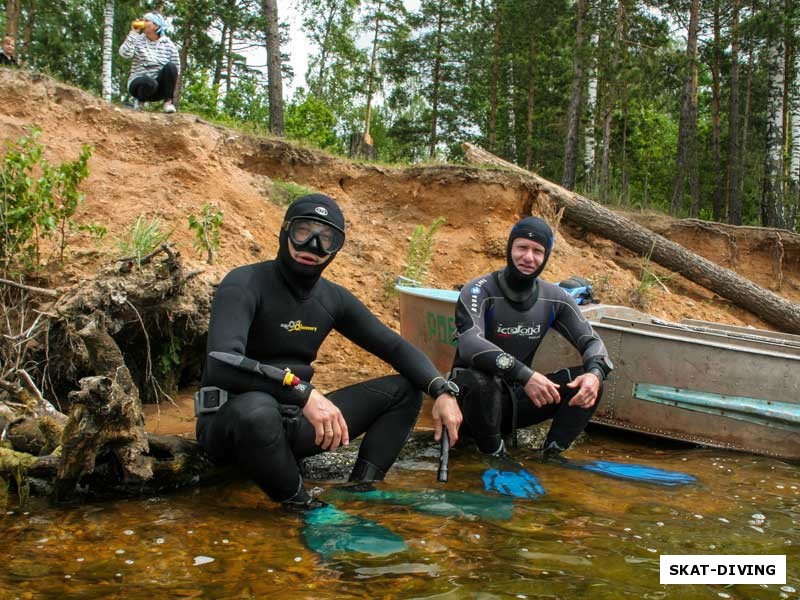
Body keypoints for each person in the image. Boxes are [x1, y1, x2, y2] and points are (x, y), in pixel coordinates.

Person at [197, 193, 462, 510]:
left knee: (405, 390)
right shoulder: (244, 283)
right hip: (233, 424)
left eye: (326, 238)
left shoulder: (332, 298)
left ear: (337, 248)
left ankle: (361, 489)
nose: (312, 246)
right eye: (303, 232)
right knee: (258, 408)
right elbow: (221, 365)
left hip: (293, 423)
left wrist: (442, 389)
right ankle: (304, 505)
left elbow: (393, 346)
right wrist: (302, 391)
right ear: (285, 231)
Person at [451, 216, 613, 460]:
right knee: (481, 380)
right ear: (509, 248)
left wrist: (596, 374)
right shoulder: (480, 290)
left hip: (513, 404)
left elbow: (592, 343)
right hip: (468, 404)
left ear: (546, 256)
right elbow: (470, 345)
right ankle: (494, 455)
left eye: (538, 251)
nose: (529, 257)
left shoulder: (555, 297)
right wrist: (524, 374)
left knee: (588, 382)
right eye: (522, 248)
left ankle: (550, 457)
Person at [118, 12, 180, 113]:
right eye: (143, 20)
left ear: (156, 26)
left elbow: (176, 70)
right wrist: (133, 33)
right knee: (149, 82)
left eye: (147, 21)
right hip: (139, 83)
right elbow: (124, 54)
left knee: (171, 67)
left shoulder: (169, 46)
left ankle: (168, 102)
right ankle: (139, 102)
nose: (143, 23)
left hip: (158, 88)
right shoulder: (137, 40)